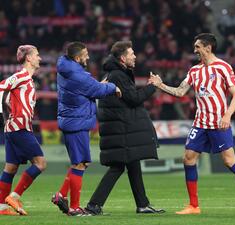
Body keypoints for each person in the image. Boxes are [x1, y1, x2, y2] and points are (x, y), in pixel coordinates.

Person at [149, 33, 235, 215]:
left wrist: (227, 115)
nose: (194, 50)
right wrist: (160, 85)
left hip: (219, 122)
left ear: (208, 47)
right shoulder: (194, 70)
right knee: (188, 158)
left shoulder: (223, 67)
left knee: (229, 161)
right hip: (200, 123)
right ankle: (193, 206)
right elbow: (180, 92)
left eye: (197, 47)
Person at [84, 41, 165, 215]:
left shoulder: (116, 74)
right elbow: (134, 98)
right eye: (131, 53)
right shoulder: (117, 75)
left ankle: (142, 204)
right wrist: (153, 86)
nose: (135, 56)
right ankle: (93, 205)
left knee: (132, 164)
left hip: (119, 127)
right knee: (118, 167)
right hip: (121, 128)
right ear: (122, 58)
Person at [51, 42, 121, 216]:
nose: (88, 57)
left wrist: (97, 85)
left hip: (74, 120)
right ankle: (74, 208)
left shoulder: (67, 68)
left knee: (80, 162)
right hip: (77, 123)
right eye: (85, 54)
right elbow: (95, 89)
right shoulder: (78, 76)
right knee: (80, 164)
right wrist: (113, 87)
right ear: (77, 58)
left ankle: (60, 195)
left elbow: (89, 87)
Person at [0, 45, 46, 215]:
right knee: (40, 164)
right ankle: (14, 196)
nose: (39, 58)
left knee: (10, 168)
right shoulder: (20, 76)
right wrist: (4, 113)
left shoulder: (28, 79)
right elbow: (1, 88)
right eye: (37, 55)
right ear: (29, 58)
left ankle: (2, 208)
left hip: (13, 128)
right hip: (19, 127)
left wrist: (6, 115)